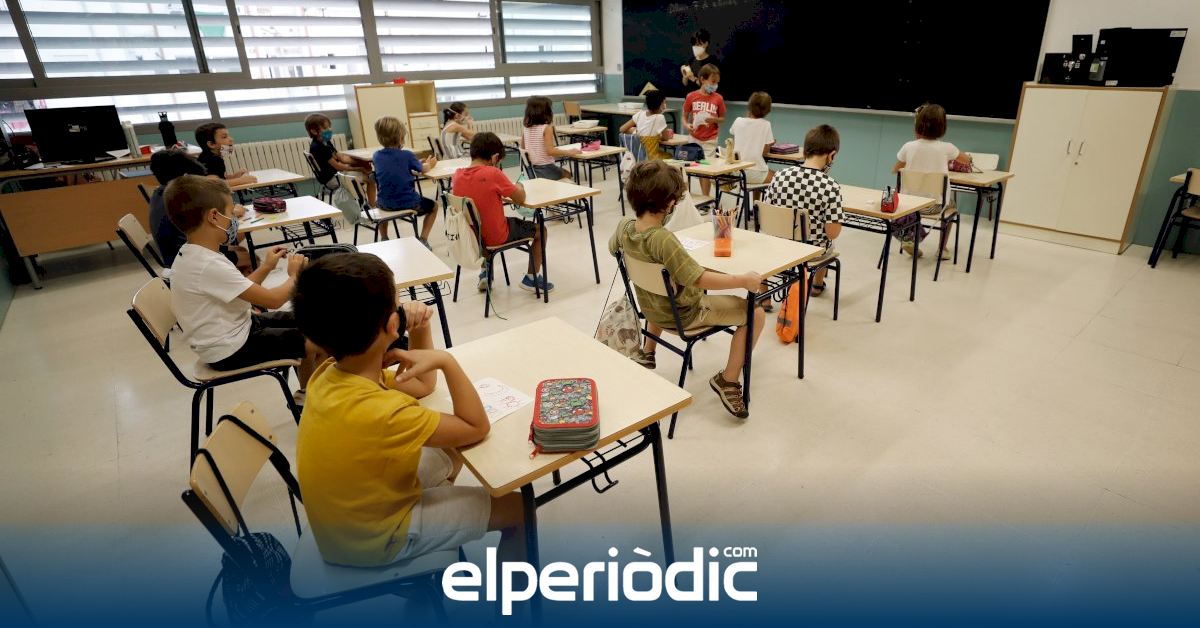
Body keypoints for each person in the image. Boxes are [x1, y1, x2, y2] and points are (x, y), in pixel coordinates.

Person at [292, 253, 525, 568]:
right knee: (519, 508)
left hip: (345, 522)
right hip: (375, 541)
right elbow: (476, 426)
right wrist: (447, 361)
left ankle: (443, 515)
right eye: (398, 304)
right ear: (393, 324)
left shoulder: (331, 373)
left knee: (450, 451)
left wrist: (421, 326)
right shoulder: (386, 411)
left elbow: (423, 385)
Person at [609, 161, 764, 419]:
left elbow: (613, 249)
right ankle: (728, 380)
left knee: (662, 286)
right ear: (669, 203)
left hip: (650, 310)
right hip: (685, 315)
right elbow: (699, 279)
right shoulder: (663, 239)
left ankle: (648, 351)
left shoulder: (625, 227)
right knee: (756, 313)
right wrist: (741, 280)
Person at [164, 175, 323, 403]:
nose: (234, 220)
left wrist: (266, 266)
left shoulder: (195, 254)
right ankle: (315, 399)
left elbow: (241, 289)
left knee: (311, 321)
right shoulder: (208, 264)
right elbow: (274, 300)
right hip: (230, 349)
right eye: (231, 213)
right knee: (321, 339)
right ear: (213, 216)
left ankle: (308, 393)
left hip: (234, 332)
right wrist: (295, 275)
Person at [453, 132, 552, 294]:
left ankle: (485, 272)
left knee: (481, 223)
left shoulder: (457, 176)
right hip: (496, 237)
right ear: (494, 157)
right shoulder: (493, 173)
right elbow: (519, 198)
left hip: (471, 238)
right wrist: (519, 186)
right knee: (541, 230)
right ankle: (532, 279)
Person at [764, 124, 844, 298]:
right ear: (831, 155)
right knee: (829, 244)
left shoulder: (779, 176)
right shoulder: (830, 186)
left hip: (778, 247)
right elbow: (832, 233)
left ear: (805, 150)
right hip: (810, 254)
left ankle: (764, 298)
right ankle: (816, 285)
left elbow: (765, 214)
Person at [892, 103, 973, 260]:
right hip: (935, 206)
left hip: (909, 205)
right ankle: (942, 249)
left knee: (915, 201)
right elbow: (966, 160)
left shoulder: (908, 146)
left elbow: (896, 169)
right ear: (943, 127)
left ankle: (909, 239)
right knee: (952, 207)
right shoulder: (947, 148)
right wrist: (968, 157)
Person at [372, 116, 438, 246]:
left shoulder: (376, 156)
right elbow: (424, 169)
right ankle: (423, 239)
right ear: (400, 136)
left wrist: (414, 164)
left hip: (384, 204)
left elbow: (393, 170)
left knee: (381, 204)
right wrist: (430, 164)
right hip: (408, 203)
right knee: (434, 207)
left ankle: (384, 238)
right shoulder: (407, 155)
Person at [304, 113, 376, 206]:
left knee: (363, 167)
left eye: (329, 127)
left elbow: (342, 158)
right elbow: (338, 166)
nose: (330, 129)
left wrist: (361, 161)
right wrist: (359, 168)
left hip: (335, 175)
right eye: (325, 128)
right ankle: (370, 205)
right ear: (314, 131)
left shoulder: (325, 142)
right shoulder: (319, 147)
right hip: (332, 179)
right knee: (370, 179)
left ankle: (364, 201)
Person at [683, 64, 726, 197]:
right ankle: (688, 198)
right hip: (694, 138)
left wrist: (714, 120)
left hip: (710, 140)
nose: (715, 85)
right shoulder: (691, 96)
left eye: (717, 82)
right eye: (713, 82)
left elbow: (722, 118)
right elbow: (684, 116)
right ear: (702, 79)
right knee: (691, 168)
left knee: (705, 169)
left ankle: (706, 198)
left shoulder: (718, 98)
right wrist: (687, 125)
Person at [520, 96, 579, 181]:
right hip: (545, 168)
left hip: (531, 170)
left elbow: (522, 148)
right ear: (546, 112)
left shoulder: (526, 128)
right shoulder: (546, 128)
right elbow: (550, 151)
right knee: (567, 174)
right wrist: (569, 152)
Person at [729, 91, 776, 187]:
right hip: (755, 172)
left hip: (736, 171)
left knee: (764, 173)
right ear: (767, 109)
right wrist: (770, 144)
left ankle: (755, 196)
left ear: (750, 105)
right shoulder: (766, 124)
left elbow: (736, 141)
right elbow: (765, 152)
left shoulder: (738, 121)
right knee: (779, 178)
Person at [193, 122, 257, 188]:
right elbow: (212, 184)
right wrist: (242, 180)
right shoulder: (214, 160)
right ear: (211, 144)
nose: (231, 139)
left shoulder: (205, 156)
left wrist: (234, 176)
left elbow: (219, 178)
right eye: (224, 137)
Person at [619, 89, 672, 160]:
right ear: (660, 104)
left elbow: (622, 129)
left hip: (637, 156)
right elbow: (665, 138)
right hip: (651, 157)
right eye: (664, 102)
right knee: (669, 156)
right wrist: (659, 136)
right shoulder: (660, 117)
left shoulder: (639, 114)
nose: (665, 105)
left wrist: (635, 131)